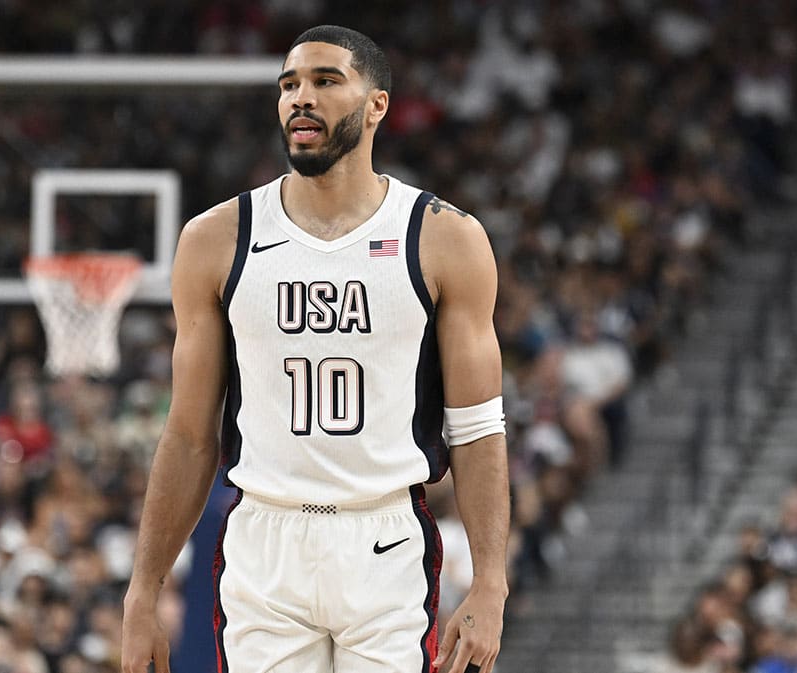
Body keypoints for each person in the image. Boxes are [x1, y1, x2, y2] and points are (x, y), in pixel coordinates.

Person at [121, 25, 509, 673]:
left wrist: (491, 581)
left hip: (383, 536)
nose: (302, 97)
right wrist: (144, 589)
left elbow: (477, 428)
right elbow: (189, 435)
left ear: (376, 104)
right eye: (289, 85)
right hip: (263, 537)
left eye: (326, 81)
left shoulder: (443, 237)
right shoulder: (217, 237)